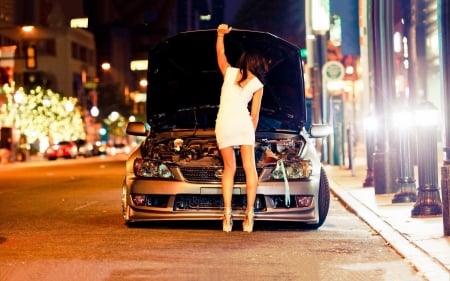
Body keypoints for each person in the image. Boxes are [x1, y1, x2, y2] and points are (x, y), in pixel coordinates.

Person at [215, 23, 268, 232]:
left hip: (224, 122)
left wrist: (220, 35)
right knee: (249, 168)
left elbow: (220, 53)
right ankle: (249, 215)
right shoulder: (258, 85)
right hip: (243, 123)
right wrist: (250, 134)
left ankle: (227, 215)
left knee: (229, 168)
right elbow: (254, 115)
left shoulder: (229, 73)